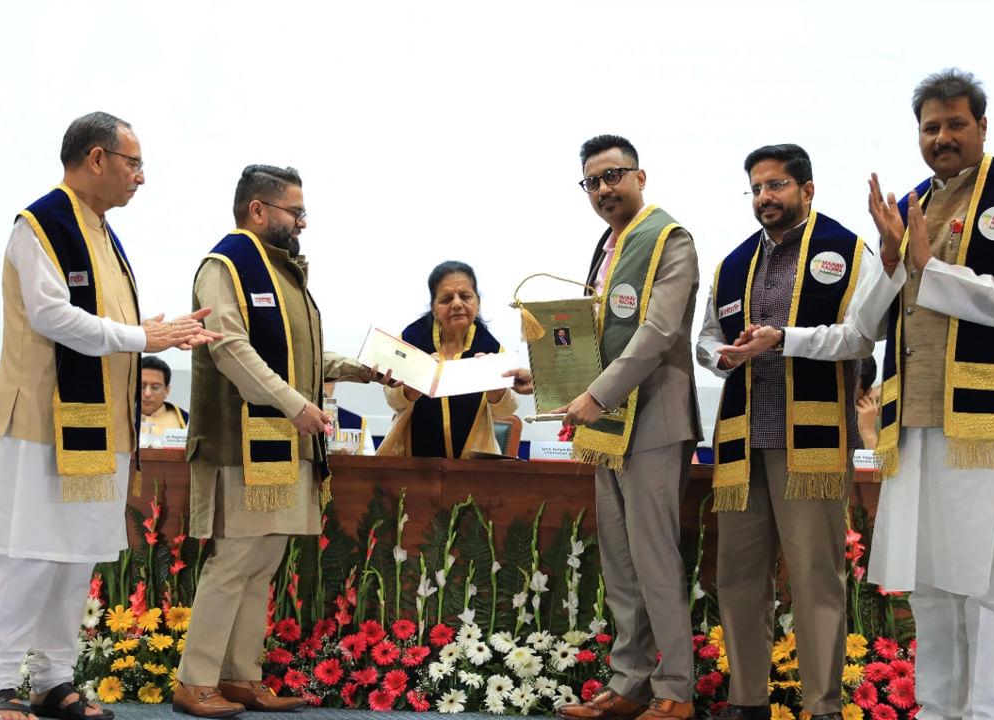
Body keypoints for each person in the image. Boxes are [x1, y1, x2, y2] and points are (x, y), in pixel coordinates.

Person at [0, 112, 218, 720]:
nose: (140, 178)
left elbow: (111, 329)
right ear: (97, 158)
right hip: (41, 424)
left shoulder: (100, 229)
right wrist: (143, 335)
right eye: (133, 164)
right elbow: (52, 316)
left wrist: (148, 333)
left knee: (75, 555)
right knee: (30, 551)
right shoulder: (41, 224)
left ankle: (53, 681)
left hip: (99, 424)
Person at [863, 69, 994, 720]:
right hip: (915, 420)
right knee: (929, 582)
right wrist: (894, 262)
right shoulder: (913, 204)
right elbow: (871, 319)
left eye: (955, 124)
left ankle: (984, 714)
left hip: (989, 425)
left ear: (982, 125)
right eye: (930, 127)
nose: (942, 137)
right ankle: (937, 710)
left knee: (986, 583)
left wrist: (930, 268)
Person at [175, 164, 395, 717]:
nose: (302, 223)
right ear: (258, 210)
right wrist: (296, 404)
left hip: (284, 438)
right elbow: (230, 350)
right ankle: (195, 680)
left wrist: (367, 371)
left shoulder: (285, 273)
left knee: (260, 564)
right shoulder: (225, 265)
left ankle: (240, 677)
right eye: (295, 213)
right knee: (235, 560)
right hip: (241, 441)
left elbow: (304, 359)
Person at [696, 143, 879, 720]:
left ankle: (822, 707)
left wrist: (784, 337)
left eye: (775, 186)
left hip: (814, 443)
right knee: (739, 580)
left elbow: (861, 337)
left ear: (807, 188)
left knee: (815, 580)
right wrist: (719, 358)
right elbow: (704, 338)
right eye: (755, 188)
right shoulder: (732, 263)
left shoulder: (849, 250)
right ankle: (747, 702)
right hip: (743, 442)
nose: (763, 198)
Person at [555, 135, 700, 720]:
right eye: (592, 181)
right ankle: (629, 683)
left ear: (641, 176)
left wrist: (596, 393)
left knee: (655, 560)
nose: (603, 189)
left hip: (655, 421)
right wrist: (547, 377)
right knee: (620, 561)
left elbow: (658, 333)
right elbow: (595, 334)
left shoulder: (671, 239)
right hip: (607, 425)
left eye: (613, 176)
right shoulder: (607, 245)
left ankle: (675, 692)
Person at [375, 261, 519, 458]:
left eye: (465, 296)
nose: (457, 304)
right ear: (433, 307)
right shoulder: (411, 339)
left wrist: (497, 389)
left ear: (477, 303)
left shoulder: (490, 348)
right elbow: (393, 400)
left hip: (473, 467)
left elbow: (505, 410)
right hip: (412, 463)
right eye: (446, 299)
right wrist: (413, 385)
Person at [139, 355, 189, 433]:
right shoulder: (119, 416)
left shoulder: (182, 420)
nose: (147, 394)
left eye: (155, 387)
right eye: (142, 386)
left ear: (166, 391)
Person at [857, 356, 881, 450]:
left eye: (849, 394)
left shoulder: (870, 417)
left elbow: (881, 464)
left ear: (866, 393)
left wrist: (868, 432)